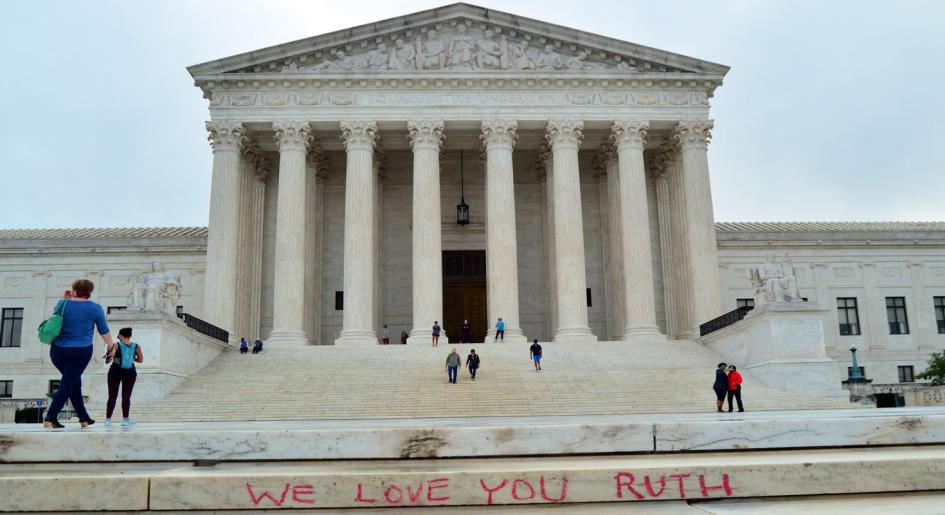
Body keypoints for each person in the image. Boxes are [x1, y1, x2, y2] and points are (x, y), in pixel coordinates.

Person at [44, 279, 114, 429]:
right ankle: (51, 417)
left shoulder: (62, 304)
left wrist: (67, 298)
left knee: (74, 381)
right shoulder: (95, 308)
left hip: (57, 351)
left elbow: (57, 319)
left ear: (74, 289)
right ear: (90, 291)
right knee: (68, 383)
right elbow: (103, 330)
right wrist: (111, 346)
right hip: (80, 351)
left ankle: (83, 417)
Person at [105, 327, 143, 426]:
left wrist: (109, 353)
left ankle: (108, 419)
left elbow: (108, 360)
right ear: (130, 336)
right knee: (126, 396)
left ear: (121, 336)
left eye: (119, 336)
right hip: (130, 372)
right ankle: (125, 419)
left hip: (115, 372)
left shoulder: (116, 345)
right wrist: (131, 358)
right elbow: (141, 360)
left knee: (112, 396)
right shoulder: (136, 346)